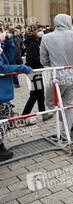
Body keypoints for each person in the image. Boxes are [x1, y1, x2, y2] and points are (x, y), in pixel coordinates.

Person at [40, 14, 73, 142]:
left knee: (51, 103)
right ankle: (68, 129)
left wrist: (51, 64)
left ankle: (67, 127)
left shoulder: (46, 37)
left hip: (57, 75)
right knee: (68, 104)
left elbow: (43, 61)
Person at [0, 31, 33, 160]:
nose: (3, 33)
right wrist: (22, 68)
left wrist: (8, 42)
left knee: (5, 120)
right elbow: (2, 68)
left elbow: (9, 56)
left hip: (4, 92)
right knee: (3, 121)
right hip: (1, 93)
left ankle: (1, 145)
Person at [22, 25, 52, 123]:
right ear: (33, 33)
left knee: (40, 93)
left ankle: (44, 113)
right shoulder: (33, 44)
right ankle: (24, 116)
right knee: (35, 94)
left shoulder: (34, 43)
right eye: (39, 30)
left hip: (36, 71)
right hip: (34, 72)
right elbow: (34, 60)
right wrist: (44, 61)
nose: (41, 32)